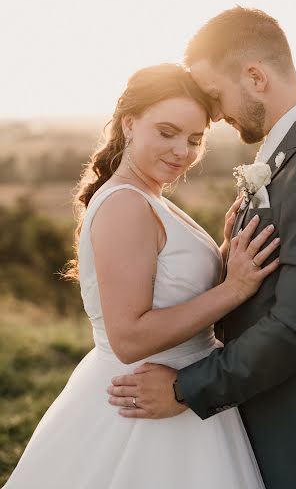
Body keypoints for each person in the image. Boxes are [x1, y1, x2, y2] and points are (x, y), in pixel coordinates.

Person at [108, 8, 296, 489]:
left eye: (217, 95)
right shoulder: (295, 149)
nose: (216, 113)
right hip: (278, 414)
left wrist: (184, 388)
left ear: (256, 77)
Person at [3, 63, 280, 489]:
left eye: (194, 139)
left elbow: (171, 288)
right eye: (166, 132)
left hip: (181, 395)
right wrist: (235, 288)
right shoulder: (126, 205)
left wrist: (224, 250)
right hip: (144, 405)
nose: (181, 152)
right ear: (129, 124)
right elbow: (129, 338)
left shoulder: (150, 197)